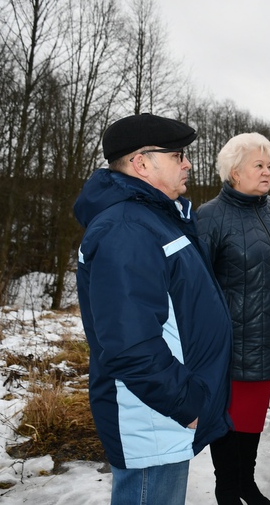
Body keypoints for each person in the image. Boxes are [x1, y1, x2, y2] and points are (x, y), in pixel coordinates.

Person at [74, 113, 233, 505]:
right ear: (141, 163)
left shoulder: (153, 218)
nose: (188, 164)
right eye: (178, 155)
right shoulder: (127, 228)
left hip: (162, 413)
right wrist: (187, 405)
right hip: (152, 417)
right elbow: (129, 344)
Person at [196, 132, 270, 505]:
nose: (267, 173)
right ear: (233, 172)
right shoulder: (209, 217)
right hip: (231, 341)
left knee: (254, 416)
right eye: (258, 166)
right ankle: (227, 489)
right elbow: (195, 284)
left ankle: (247, 483)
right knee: (230, 420)